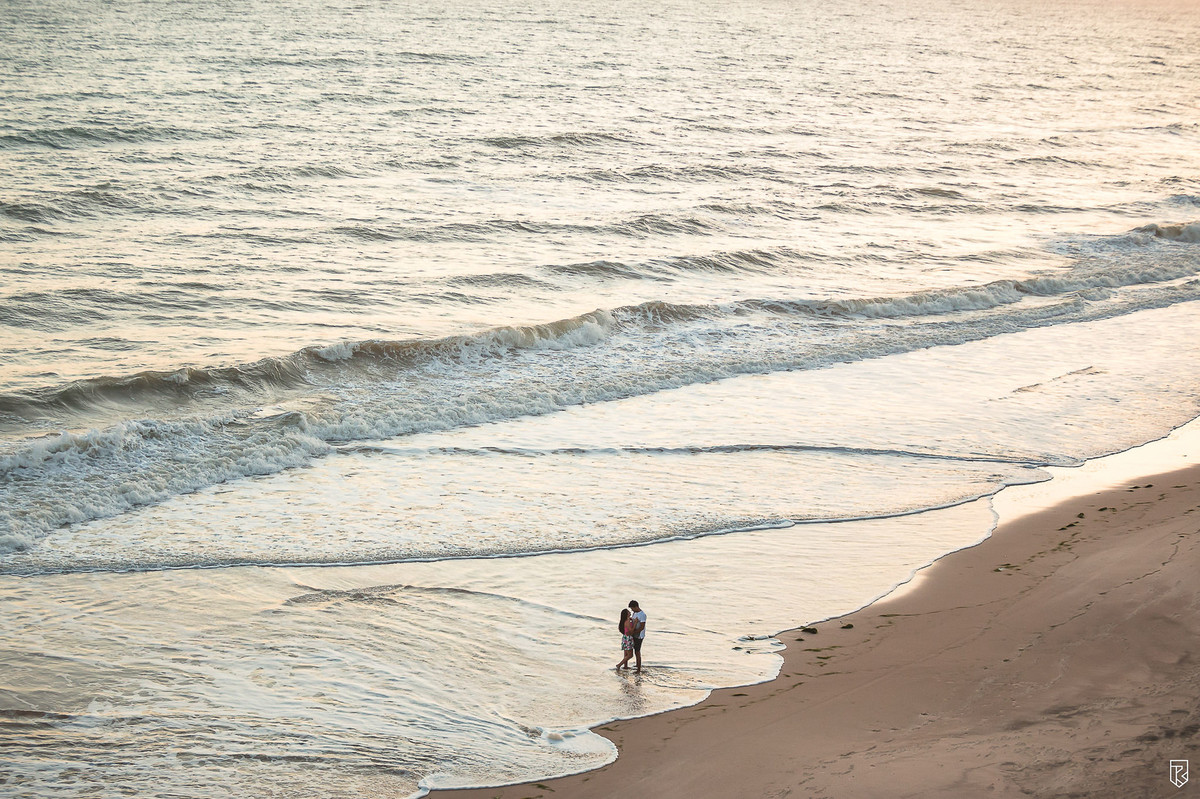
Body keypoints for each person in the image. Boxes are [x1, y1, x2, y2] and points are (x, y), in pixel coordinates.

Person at [628, 600, 646, 672]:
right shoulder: (634, 613)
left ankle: (639, 668)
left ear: (636, 607)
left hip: (639, 635)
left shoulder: (642, 614)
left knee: (637, 651)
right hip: (634, 634)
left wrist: (634, 632)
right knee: (633, 650)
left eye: (632, 608)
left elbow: (642, 627)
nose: (632, 610)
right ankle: (637, 665)